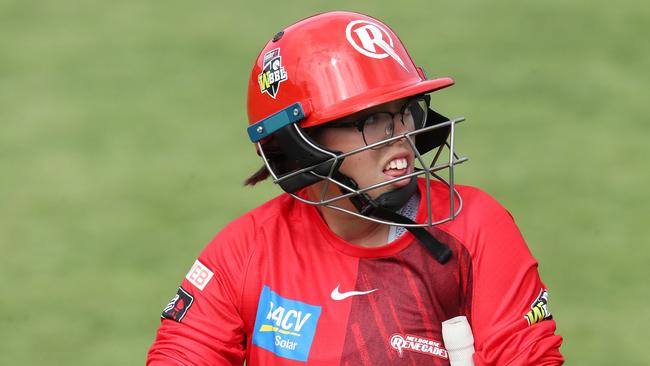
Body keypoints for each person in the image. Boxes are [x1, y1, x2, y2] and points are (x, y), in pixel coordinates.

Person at [147, 11, 563, 365]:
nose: (400, 134)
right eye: (371, 120)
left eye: (403, 113)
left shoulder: (476, 228)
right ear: (300, 143)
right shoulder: (244, 252)